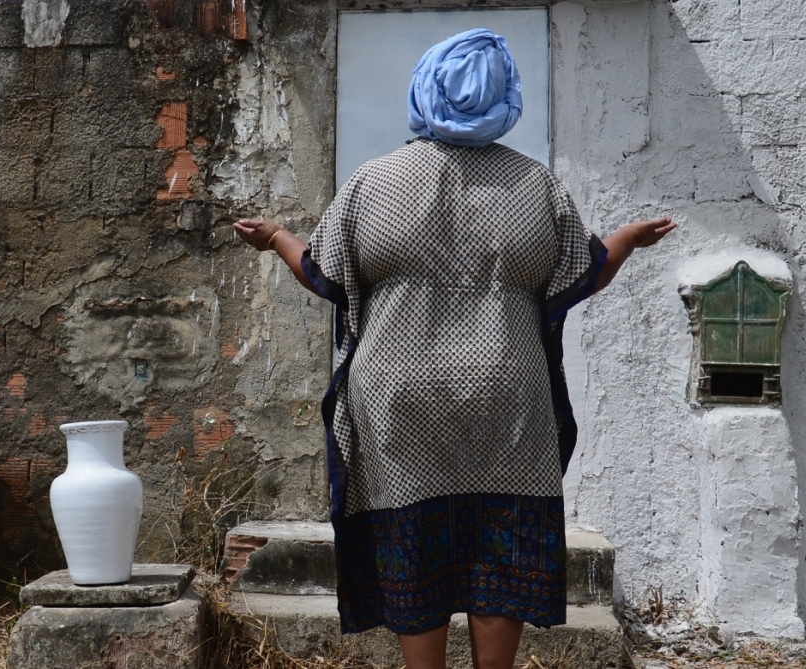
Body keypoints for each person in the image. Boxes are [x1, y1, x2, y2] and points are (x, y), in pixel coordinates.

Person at [234, 28, 675, 669]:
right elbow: (582, 272)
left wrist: (276, 235)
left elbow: (325, 275)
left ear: (425, 88)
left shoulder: (372, 184)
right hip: (507, 401)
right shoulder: (535, 186)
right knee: (500, 546)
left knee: (414, 545)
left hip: (399, 403)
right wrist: (628, 239)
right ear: (503, 98)